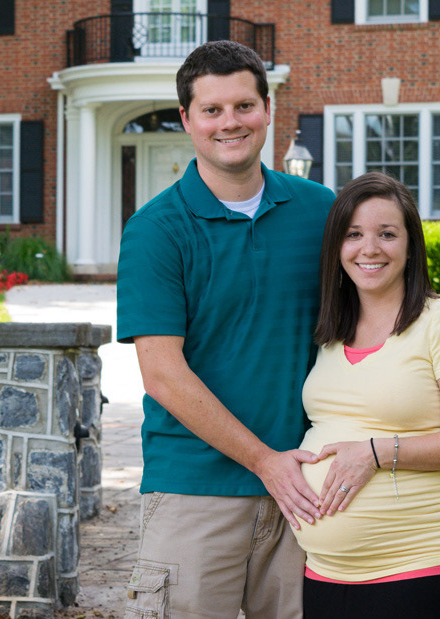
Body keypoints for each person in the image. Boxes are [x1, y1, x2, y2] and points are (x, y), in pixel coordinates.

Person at [116, 40, 335, 618]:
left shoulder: (323, 213)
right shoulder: (155, 230)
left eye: (244, 106)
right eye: (211, 110)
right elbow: (163, 375)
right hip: (195, 489)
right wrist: (266, 460)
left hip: (309, 488)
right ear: (187, 119)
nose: (230, 122)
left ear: (268, 108)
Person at [293, 172, 440, 617]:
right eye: (354, 234)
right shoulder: (332, 331)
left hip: (425, 569)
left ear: (410, 245)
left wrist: (375, 453)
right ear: (337, 247)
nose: (370, 248)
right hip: (326, 574)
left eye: (387, 234)